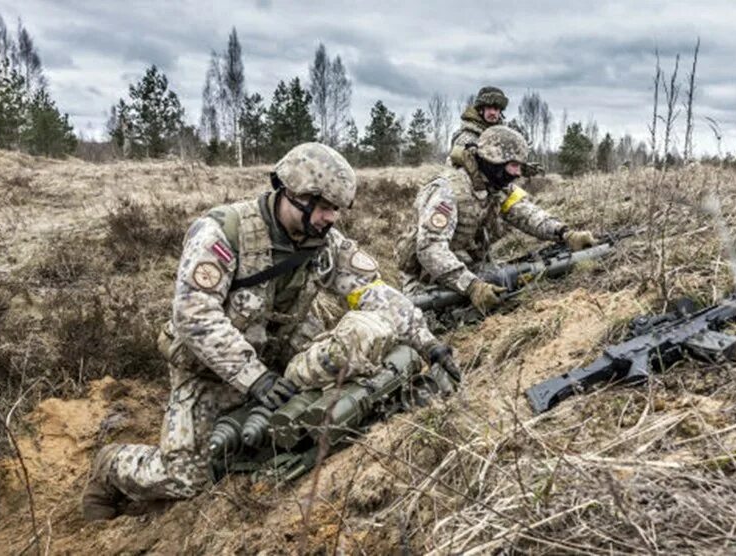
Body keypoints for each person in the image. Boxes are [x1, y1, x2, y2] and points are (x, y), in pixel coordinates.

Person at [81, 143, 457, 521]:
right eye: (324, 208)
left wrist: (428, 344)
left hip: (280, 358)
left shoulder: (325, 244)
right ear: (296, 196)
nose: (331, 219)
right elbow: (194, 314)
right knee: (187, 478)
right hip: (208, 370)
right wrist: (255, 379)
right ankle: (111, 466)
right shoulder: (224, 233)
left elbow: (374, 292)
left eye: (336, 210)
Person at [396, 125, 597, 314]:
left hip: (467, 266)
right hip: (426, 279)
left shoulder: (496, 186)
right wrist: (472, 287)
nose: (518, 173)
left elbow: (526, 213)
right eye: (513, 165)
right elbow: (430, 249)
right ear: (494, 162)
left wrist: (565, 234)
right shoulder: (448, 190)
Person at [448, 86, 508, 166]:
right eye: (489, 107)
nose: (493, 112)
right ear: (481, 110)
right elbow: (453, 164)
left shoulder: (505, 136)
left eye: (496, 108)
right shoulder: (467, 137)